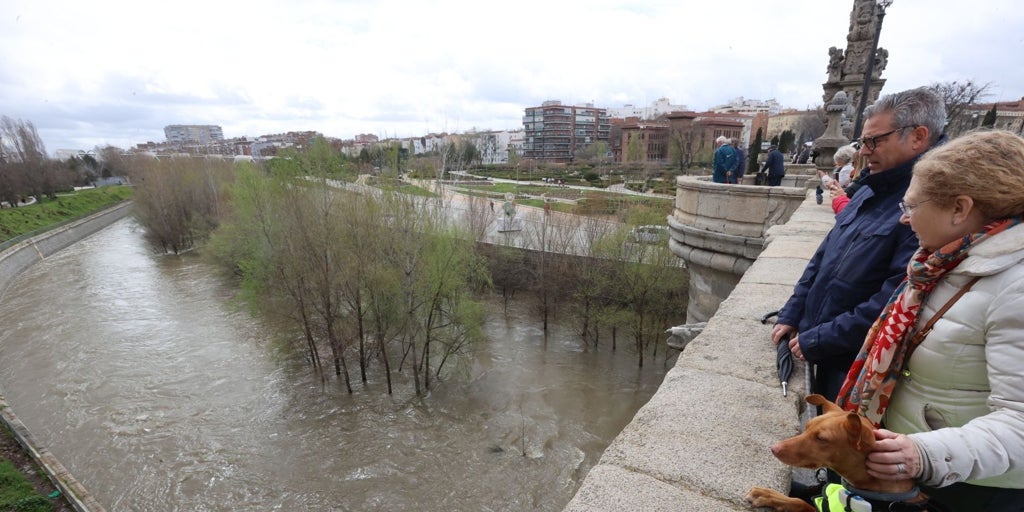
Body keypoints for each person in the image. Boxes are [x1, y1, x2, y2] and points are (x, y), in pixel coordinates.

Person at [836, 129, 1024, 511]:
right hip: (919, 468)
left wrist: (924, 453)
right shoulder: (942, 264)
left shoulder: (1014, 286)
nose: (904, 220)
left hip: (972, 489)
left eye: (911, 206)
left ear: (960, 208)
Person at [770, 86, 947, 402]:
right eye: (863, 141)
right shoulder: (867, 190)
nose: (863, 151)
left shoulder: (928, 206)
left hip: (852, 365)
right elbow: (824, 255)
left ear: (918, 137)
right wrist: (792, 312)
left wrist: (820, 338)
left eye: (874, 141)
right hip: (819, 347)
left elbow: (896, 298)